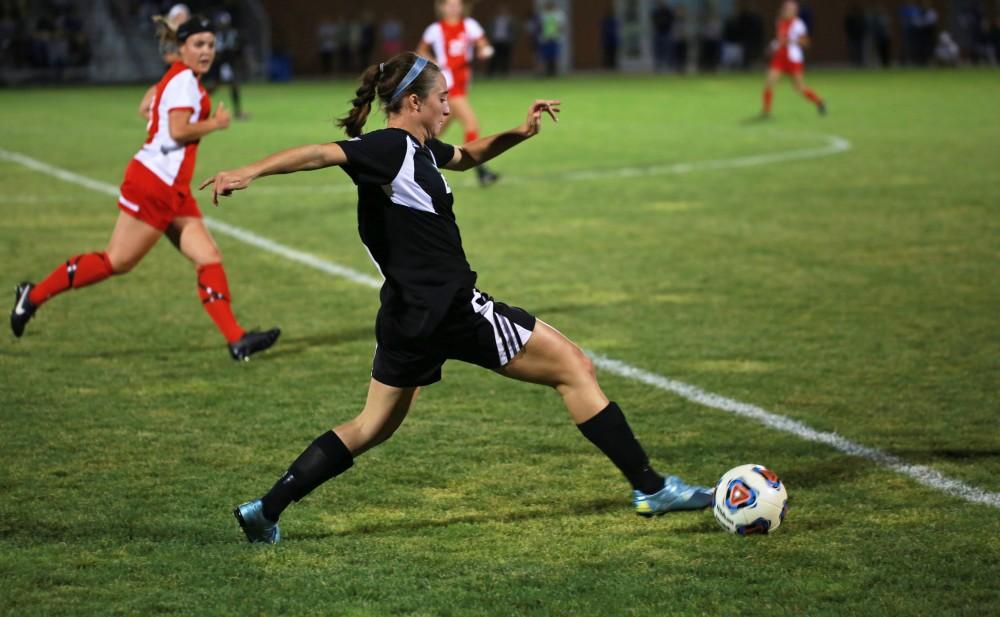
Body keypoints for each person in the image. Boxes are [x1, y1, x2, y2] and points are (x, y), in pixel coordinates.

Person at [199, 52, 715, 544]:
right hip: (451, 308)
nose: (450, 106)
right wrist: (252, 170)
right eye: (442, 98)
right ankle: (651, 488)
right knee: (575, 367)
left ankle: (265, 510)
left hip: (405, 316)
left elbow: (467, 156)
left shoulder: (420, 150)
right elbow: (321, 152)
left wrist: (520, 131)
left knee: (370, 426)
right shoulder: (390, 147)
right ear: (414, 103)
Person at [10, 16, 280, 361]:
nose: (206, 51)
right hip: (155, 183)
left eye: (211, 44)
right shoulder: (184, 80)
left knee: (208, 257)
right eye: (198, 44)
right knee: (117, 261)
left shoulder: (178, 77)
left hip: (171, 186)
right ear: (181, 48)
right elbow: (179, 129)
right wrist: (216, 122)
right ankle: (32, 297)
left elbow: (146, 108)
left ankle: (237, 340)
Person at [417, 0, 499, 188]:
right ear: (442, 7)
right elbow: (421, 51)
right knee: (471, 124)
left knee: (434, 131)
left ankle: (415, 156)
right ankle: (481, 171)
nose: (454, 8)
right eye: (450, 4)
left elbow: (483, 44)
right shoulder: (435, 29)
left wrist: (484, 50)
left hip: (462, 84)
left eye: (457, 4)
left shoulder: (469, 25)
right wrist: (435, 63)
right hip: (449, 84)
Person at [760, 1, 826, 118]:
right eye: (785, 8)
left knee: (799, 87)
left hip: (793, 58)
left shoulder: (798, 24)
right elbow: (779, 39)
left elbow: (806, 42)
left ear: (795, 11)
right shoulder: (779, 21)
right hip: (780, 57)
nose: (786, 10)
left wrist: (790, 41)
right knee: (769, 83)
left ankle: (819, 101)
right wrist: (773, 46)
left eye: (789, 9)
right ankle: (766, 112)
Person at [138, 3, 188, 120]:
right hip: (171, 77)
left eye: (184, 16)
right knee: (145, 108)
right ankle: (167, 126)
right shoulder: (169, 38)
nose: (183, 19)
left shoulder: (192, 37)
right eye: (180, 16)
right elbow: (168, 58)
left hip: (185, 79)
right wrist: (185, 56)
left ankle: (171, 128)